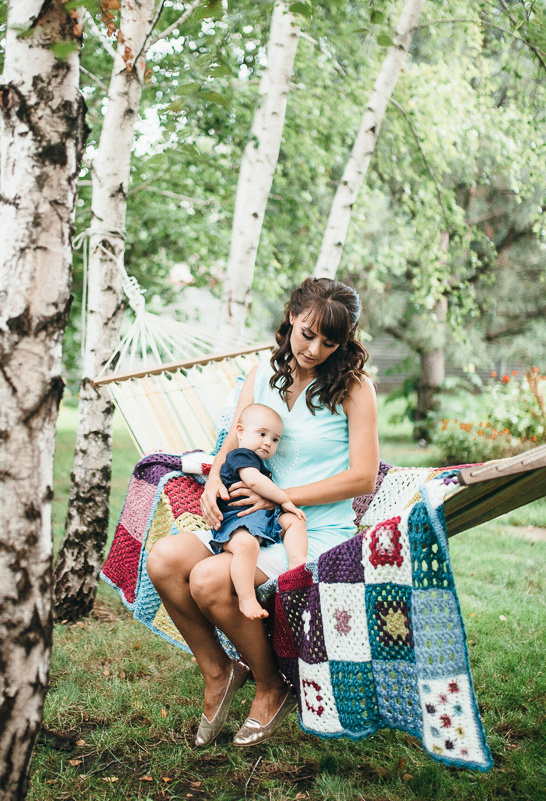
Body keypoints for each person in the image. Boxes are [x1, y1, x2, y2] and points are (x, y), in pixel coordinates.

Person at [146, 277, 379, 749]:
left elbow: (363, 479)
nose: (314, 349)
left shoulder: (355, 389)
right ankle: (219, 671)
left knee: (209, 580)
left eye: (330, 342)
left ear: (345, 341)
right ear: (292, 316)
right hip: (245, 521)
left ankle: (273, 686)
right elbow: (234, 439)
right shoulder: (262, 374)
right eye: (308, 333)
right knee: (164, 560)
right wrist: (214, 481)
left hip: (310, 528)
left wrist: (279, 494)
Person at [210, 402, 308, 621]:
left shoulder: (257, 461)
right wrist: (284, 498)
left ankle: (298, 564)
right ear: (240, 432)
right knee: (246, 545)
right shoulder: (241, 455)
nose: (267, 443)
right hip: (234, 522)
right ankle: (246, 599)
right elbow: (253, 482)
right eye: (262, 434)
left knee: (295, 520)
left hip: (260, 519)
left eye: (275, 439)